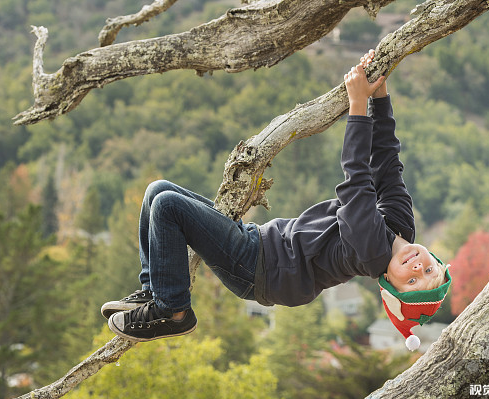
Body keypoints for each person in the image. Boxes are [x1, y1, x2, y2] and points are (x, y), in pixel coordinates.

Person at [102, 50, 451, 350]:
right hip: (263, 243)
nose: (418, 269)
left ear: (389, 281)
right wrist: (380, 97)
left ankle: (173, 310)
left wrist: (358, 106)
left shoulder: (371, 250)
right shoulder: (401, 226)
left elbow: (357, 181)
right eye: (430, 270)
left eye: (412, 282)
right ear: (434, 257)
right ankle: (154, 290)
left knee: (166, 207)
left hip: (260, 270)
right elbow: (387, 164)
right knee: (157, 191)